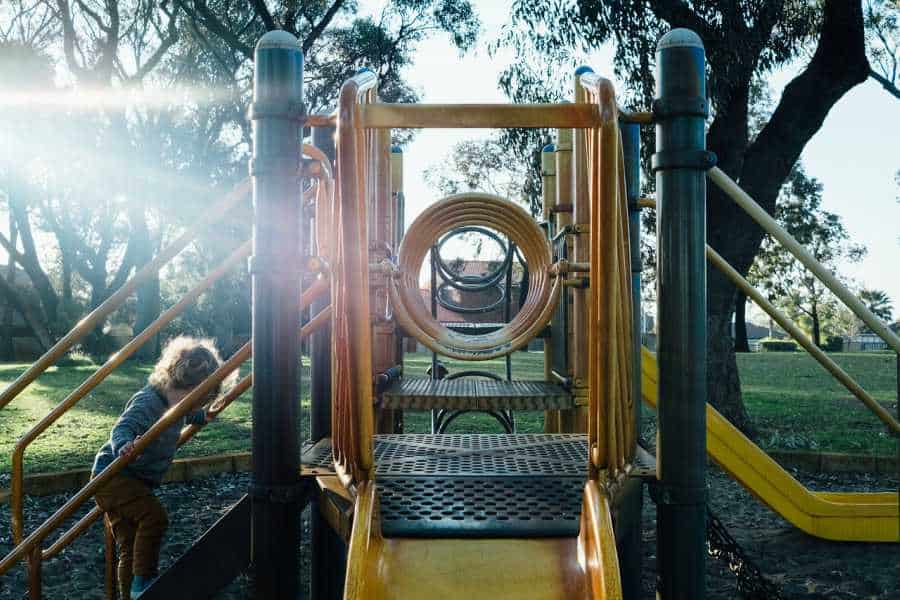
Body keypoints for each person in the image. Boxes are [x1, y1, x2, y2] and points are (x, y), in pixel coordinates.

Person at [91, 336, 232, 599]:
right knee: (154, 518)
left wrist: (201, 416)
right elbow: (122, 427)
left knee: (130, 546)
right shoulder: (147, 402)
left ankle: (131, 594)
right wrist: (124, 445)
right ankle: (144, 582)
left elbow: (184, 413)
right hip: (114, 476)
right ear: (177, 384)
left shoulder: (174, 403)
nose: (191, 408)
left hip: (133, 482)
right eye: (192, 402)